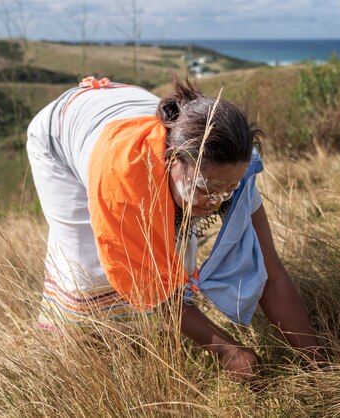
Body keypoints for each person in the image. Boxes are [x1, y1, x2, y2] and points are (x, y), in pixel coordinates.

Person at [27, 76, 320, 381]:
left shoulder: (228, 165)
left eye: (228, 190)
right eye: (206, 190)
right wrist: (226, 350)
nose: (218, 200)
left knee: (178, 243)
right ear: (171, 161)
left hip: (125, 107)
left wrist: (318, 365)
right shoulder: (124, 188)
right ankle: (95, 358)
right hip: (61, 130)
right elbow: (156, 290)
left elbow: (271, 272)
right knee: (90, 269)